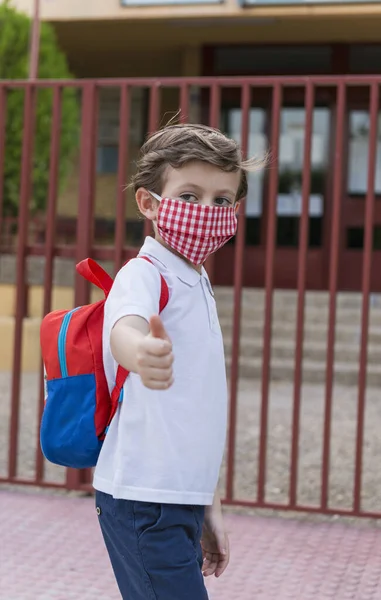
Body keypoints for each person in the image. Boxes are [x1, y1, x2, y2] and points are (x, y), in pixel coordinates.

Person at [93, 122, 262, 599]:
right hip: (143, 500)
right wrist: (141, 350)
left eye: (222, 201)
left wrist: (209, 506)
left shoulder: (197, 280)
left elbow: (196, 415)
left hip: (178, 499)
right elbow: (122, 326)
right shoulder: (145, 273)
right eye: (189, 195)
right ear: (148, 203)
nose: (207, 212)